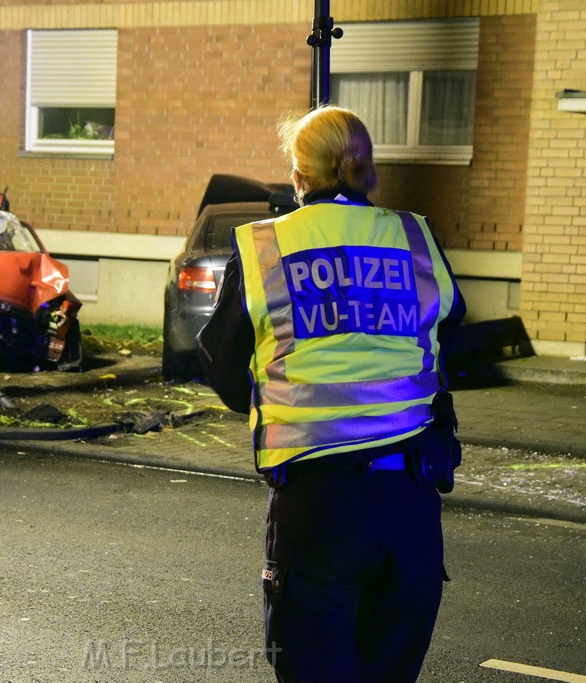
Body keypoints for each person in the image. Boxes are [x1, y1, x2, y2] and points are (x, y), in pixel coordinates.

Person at [197, 106, 466, 683]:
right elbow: (450, 345)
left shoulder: (265, 248)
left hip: (318, 507)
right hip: (410, 506)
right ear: (367, 169)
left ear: (299, 177)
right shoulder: (416, 238)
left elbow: (222, 367)